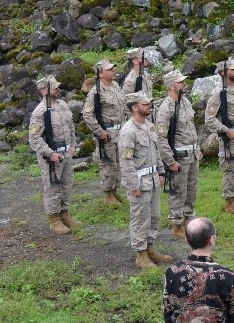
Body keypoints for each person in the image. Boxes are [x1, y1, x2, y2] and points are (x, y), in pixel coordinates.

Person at [118, 91, 174, 270]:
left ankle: (150, 248)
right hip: (140, 182)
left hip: (153, 179)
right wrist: (133, 185)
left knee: (155, 216)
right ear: (134, 107)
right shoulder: (128, 131)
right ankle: (140, 254)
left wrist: (161, 171)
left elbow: (156, 151)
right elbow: (126, 161)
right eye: (145, 104)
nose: (149, 106)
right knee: (140, 218)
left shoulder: (149, 126)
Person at [27, 75, 78, 236]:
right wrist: (50, 153)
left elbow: (70, 127)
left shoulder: (63, 105)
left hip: (66, 152)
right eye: (53, 87)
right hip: (52, 157)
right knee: (53, 188)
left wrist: (73, 145)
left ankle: (64, 214)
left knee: (67, 185)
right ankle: (54, 219)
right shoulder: (40, 112)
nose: (57, 89)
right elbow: (34, 139)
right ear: (43, 91)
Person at [155, 69, 202, 241]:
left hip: (192, 154)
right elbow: (161, 138)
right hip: (178, 157)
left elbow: (191, 127)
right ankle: (177, 224)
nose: (184, 84)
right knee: (178, 191)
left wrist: (197, 148)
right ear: (172, 85)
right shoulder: (165, 109)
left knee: (192, 188)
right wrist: (169, 161)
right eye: (181, 82)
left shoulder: (186, 103)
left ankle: (189, 219)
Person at [205, 59, 234, 214]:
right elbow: (209, 119)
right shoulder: (218, 93)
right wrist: (225, 130)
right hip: (228, 138)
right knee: (230, 169)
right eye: (233, 69)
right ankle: (229, 201)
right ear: (224, 73)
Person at [82, 58, 125, 205]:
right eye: (109, 69)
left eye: (113, 68)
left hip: (120, 131)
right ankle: (107, 194)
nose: (113, 71)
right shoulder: (96, 92)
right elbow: (87, 114)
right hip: (107, 133)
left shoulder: (115, 86)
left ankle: (114, 190)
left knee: (118, 163)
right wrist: (99, 131)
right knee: (108, 164)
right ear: (100, 73)